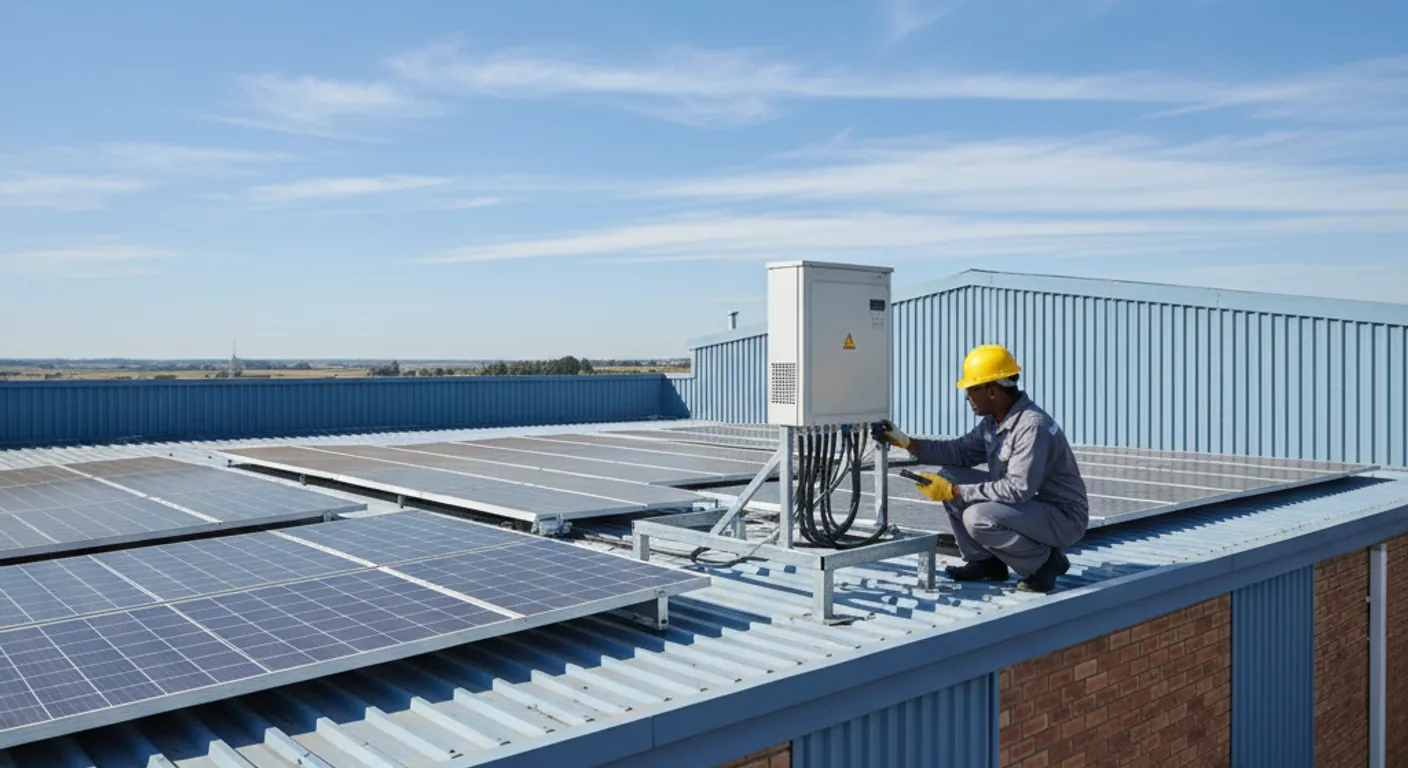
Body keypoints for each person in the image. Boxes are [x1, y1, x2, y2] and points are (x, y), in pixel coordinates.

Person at [873, 344, 1088, 593]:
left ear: (993, 391)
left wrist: (955, 491)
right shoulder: (994, 422)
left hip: (1062, 517)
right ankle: (986, 562)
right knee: (950, 475)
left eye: (971, 389)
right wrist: (907, 442)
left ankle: (1044, 563)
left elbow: (1017, 489)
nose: (967, 397)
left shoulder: (1031, 427)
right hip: (1031, 508)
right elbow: (959, 452)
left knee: (977, 517)